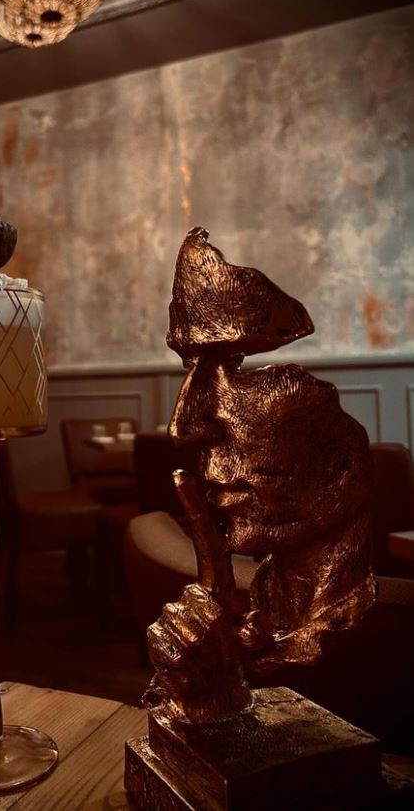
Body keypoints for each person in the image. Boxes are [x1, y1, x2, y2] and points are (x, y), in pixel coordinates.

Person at [145, 228, 375, 727]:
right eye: (192, 367)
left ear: (344, 464)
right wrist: (215, 693)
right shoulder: (261, 615)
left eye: (237, 367)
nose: (182, 426)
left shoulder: (381, 629)